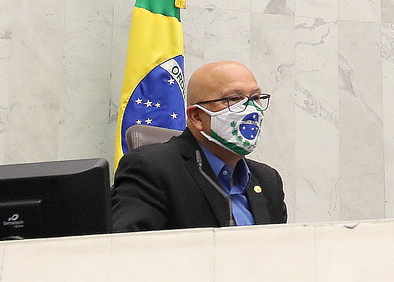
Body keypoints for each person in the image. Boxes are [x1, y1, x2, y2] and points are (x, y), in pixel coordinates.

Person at [109, 59, 287, 231]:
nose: (251, 109)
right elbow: (131, 247)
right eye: (233, 99)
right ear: (196, 117)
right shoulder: (151, 169)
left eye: (255, 97)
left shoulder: (268, 180)